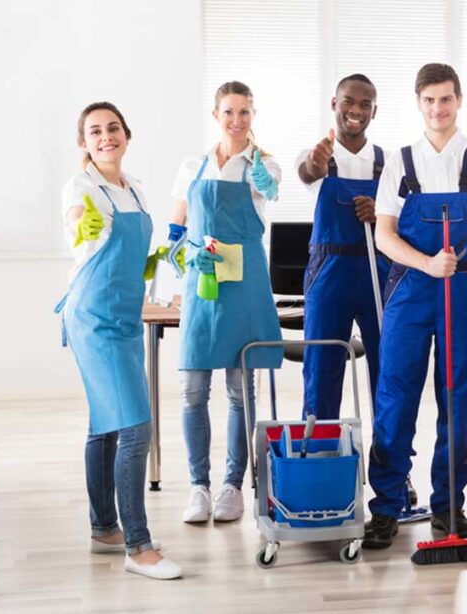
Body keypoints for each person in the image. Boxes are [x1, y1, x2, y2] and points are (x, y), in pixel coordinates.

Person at [363, 63, 467, 549]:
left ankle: (448, 507)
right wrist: (427, 264)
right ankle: (387, 507)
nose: (438, 108)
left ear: (459, 100)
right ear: (418, 102)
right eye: (429, 100)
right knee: (396, 396)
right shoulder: (400, 160)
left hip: (463, 291)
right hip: (412, 286)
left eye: (445, 99)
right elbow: (384, 235)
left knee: (458, 397)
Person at [56, 102, 182, 580]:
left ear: (127, 134)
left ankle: (104, 527)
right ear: (83, 143)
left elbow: (130, 246)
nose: (105, 137)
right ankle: (139, 546)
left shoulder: (134, 188)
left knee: (106, 425)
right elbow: (77, 221)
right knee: (135, 427)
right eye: (94, 131)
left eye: (112, 128)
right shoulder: (82, 186)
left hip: (124, 313)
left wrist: (150, 264)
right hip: (93, 316)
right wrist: (78, 226)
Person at [170, 81, 284, 524]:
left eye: (244, 112)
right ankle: (198, 486)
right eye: (228, 112)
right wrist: (185, 258)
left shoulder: (264, 164)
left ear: (253, 116)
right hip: (205, 285)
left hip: (245, 286)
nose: (236, 120)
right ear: (215, 115)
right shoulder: (192, 166)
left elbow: (271, 190)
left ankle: (232, 487)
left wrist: (263, 177)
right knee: (192, 392)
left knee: (241, 392)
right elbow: (176, 230)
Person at [298, 74, 387, 421]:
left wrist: (378, 214)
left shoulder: (389, 162)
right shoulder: (317, 155)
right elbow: (309, 173)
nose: (356, 110)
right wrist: (316, 165)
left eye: (365, 104)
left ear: (374, 112)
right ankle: (321, 460)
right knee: (321, 369)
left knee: (388, 369)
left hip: (378, 273)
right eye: (348, 101)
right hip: (328, 274)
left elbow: (403, 219)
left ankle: (389, 468)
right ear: (334, 104)